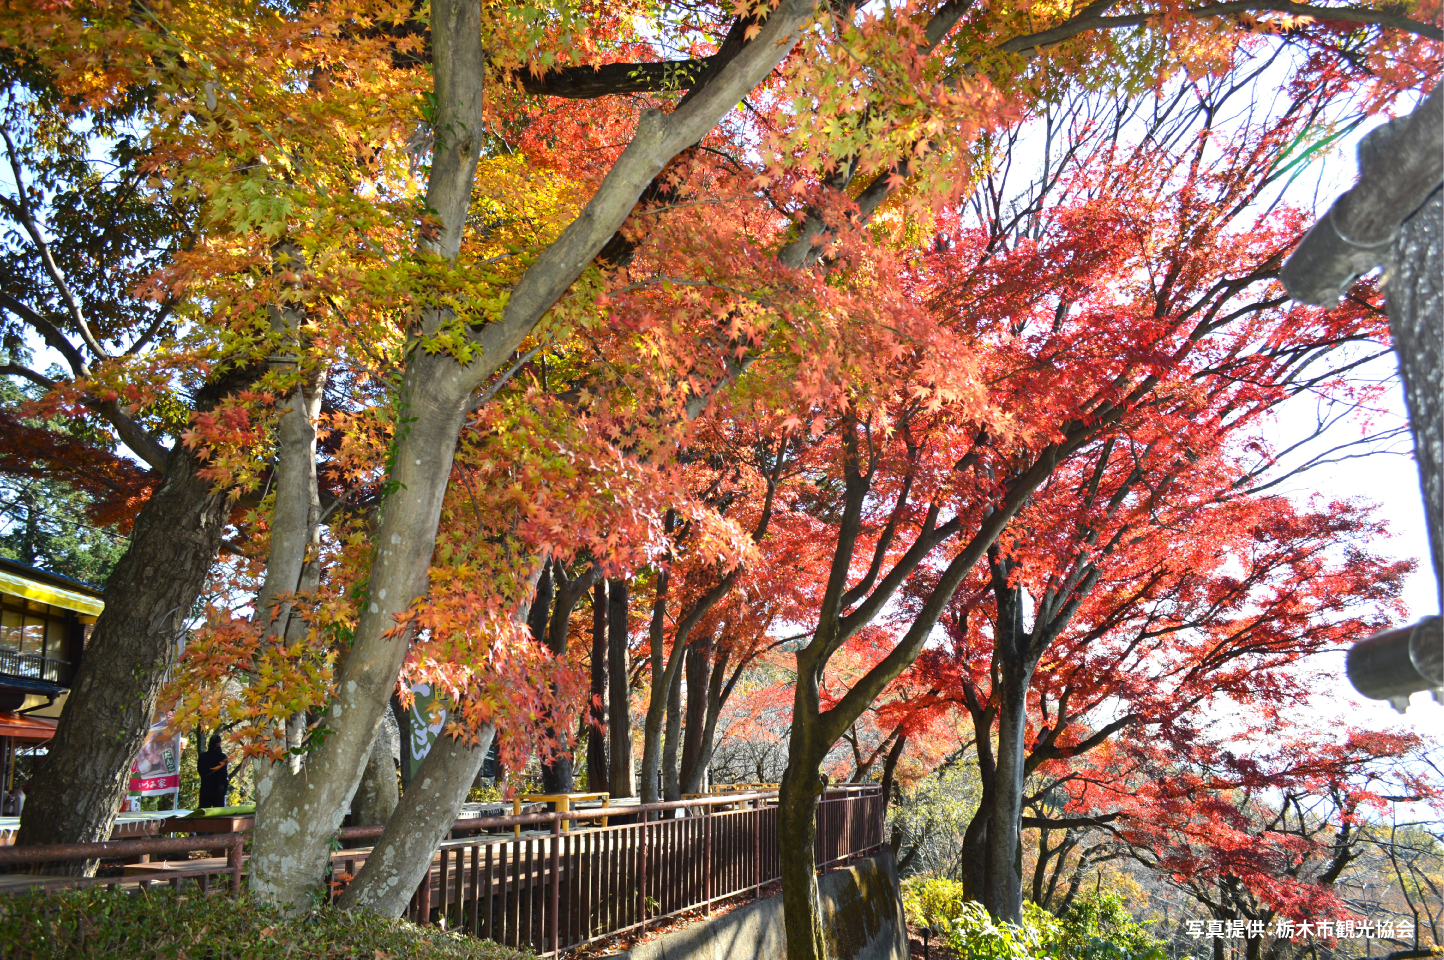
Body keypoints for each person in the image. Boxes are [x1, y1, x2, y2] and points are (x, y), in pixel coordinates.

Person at [198, 734, 229, 809]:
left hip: (205, 788)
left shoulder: (203, 756)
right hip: (218, 790)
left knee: (203, 814)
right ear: (219, 744)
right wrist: (224, 789)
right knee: (219, 817)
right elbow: (224, 775)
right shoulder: (222, 757)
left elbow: (199, 771)